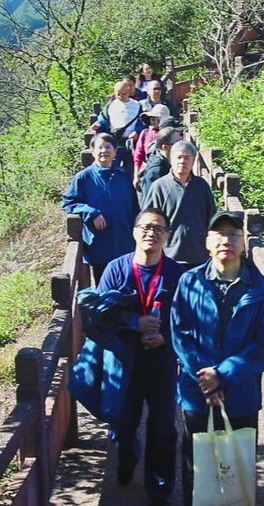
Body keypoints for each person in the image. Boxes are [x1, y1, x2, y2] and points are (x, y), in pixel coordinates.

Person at [170, 210, 264, 506]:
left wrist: (223, 375)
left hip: (241, 392)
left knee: (237, 463)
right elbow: (180, 334)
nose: (226, 240)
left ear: (244, 243)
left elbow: (259, 348)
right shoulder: (189, 282)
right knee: (197, 461)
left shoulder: (263, 290)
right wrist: (205, 376)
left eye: (233, 234)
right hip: (197, 391)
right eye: (219, 234)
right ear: (207, 242)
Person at [94, 208, 185, 506]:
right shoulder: (115, 269)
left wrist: (166, 339)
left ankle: (159, 490)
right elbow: (98, 317)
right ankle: (127, 457)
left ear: (167, 236)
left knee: (163, 428)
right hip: (123, 362)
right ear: (134, 231)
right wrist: (134, 323)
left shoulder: (177, 275)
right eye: (145, 227)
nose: (151, 233)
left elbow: (189, 323)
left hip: (162, 362)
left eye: (159, 229)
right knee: (122, 426)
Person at [61, 133, 138, 283]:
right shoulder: (84, 178)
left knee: (128, 292)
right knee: (105, 291)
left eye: (109, 147)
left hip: (125, 245)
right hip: (101, 246)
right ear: (92, 151)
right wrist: (91, 212)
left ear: (115, 152)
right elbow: (69, 202)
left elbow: (135, 209)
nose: (104, 151)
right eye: (100, 147)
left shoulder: (123, 177)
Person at [143, 141, 216, 269]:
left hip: (199, 255)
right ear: (171, 159)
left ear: (193, 161)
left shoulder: (201, 186)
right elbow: (149, 222)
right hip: (170, 256)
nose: (183, 161)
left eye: (187, 158)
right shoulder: (159, 186)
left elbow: (212, 218)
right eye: (179, 157)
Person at [92, 81, 149, 179]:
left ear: (128, 92)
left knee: (131, 172)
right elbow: (103, 120)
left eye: (123, 93)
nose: (121, 96)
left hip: (130, 145)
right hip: (114, 143)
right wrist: (98, 125)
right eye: (118, 94)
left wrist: (137, 131)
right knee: (112, 170)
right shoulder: (111, 105)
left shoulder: (137, 105)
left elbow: (143, 123)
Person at [138, 124, 183, 204]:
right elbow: (151, 203)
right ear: (164, 147)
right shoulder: (156, 171)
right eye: (177, 143)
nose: (180, 146)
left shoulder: (166, 160)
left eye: (181, 141)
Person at [133, 104, 171, 186]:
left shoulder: (171, 134)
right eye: (151, 118)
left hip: (166, 172)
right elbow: (138, 155)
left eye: (155, 118)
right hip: (147, 173)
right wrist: (136, 176)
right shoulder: (145, 133)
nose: (153, 120)